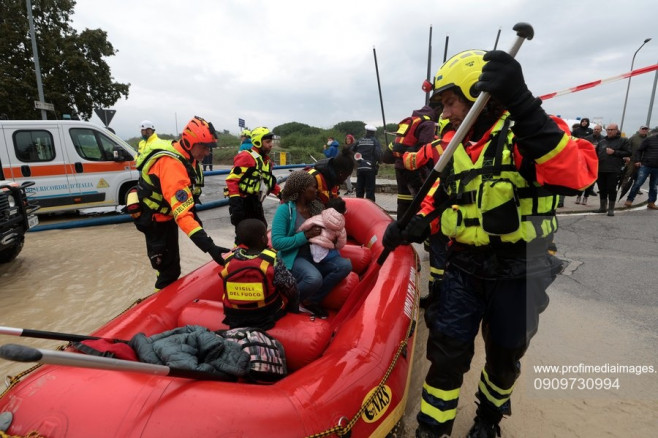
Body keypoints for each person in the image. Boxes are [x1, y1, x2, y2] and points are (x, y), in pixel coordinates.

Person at [382, 49, 597, 438]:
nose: (444, 113)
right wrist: (415, 223)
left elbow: (577, 174)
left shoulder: (528, 131)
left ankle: (488, 419)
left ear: (478, 94)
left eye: (450, 102)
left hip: (521, 267)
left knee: (504, 355)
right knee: (447, 351)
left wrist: (524, 104)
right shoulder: (454, 143)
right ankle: (432, 429)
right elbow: (444, 194)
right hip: (465, 264)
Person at [133, 116, 228, 290]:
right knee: (168, 272)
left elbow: (188, 206)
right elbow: (183, 215)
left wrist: (207, 240)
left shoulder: (187, 156)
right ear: (190, 142)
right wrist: (210, 248)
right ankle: (158, 311)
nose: (208, 153)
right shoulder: (172, 165)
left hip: (166, 217)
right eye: (205, 147)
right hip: (155, 221)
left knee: (171, 267)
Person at [271, 170, 352, 318]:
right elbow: (277, 242)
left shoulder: (317, 207)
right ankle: (286, 302)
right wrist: (305, 236)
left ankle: (311, 300)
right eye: (313, 187)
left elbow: (328, 230)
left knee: (345, 265)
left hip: (316, 255)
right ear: (302, 190)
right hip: (295, 257)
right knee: (313, 278)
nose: (316, 190)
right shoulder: (285, 210)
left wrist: (332, 239)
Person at [219, 218, 299, 330]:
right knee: (293, 292)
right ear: (263, 239)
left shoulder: (229, 259)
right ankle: (295, 318)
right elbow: (290, 287)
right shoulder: (271, 259)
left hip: (234, 316)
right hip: (265, 317)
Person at [387, 105, 440, 218]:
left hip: (399, 166)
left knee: (403, 198)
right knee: (421, 199)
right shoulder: (428, 123)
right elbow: (424, 147)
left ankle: (400, 225)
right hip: (413, 166)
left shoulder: (410, 122)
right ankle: (418, 226)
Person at [226, 126, 281, 232]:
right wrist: (236, 205)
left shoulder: (266, 161)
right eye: (268, 142)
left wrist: (281, 194)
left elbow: (268, 181)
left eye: (271, 141)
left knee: (261, 232)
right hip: (243, 203)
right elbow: (232, 180)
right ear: (258, 142)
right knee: (245, 236)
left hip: (256, 203)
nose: (271, 144)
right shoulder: (246, 157)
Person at [595, 123, 631, 216]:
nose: (609, 131)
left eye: (612, 130)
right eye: (608, 130)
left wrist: (614, 152)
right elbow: (595, 154)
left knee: (611, 189)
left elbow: (628, 152)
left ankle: (611, 209)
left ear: (616, 130)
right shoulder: (602, 141)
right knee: (601, 189)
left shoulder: (623, 140)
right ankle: (602, 207)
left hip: (613, 169)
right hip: (600, 169)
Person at [298, 197, 347, 263]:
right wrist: (335, 246)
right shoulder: (341, 227)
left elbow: (306, 224)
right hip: (326, 254)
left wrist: (299, 231)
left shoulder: (319, 217)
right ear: (342, 212)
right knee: (338, 254)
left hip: (312, 249)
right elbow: (341, 243)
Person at [623, 128, 658, 210]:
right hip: (646, 165)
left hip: (657, 168)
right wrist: (638, 160)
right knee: (638, 183)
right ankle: (629, 200)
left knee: (654, 186)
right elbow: (639, 150)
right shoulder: (649, 140)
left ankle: (651, 203)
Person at [352, 124, 383, 201]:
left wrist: (357, 160)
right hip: (370, 168)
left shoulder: (359, 141)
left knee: (359, 188)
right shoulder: (375, 142)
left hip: (360, 168)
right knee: (370, 189)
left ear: (366, 131)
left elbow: (352, 150)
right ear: (373, 133)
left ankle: (359, 205)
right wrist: (380, 161)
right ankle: (370, 206)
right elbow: (378, 154)